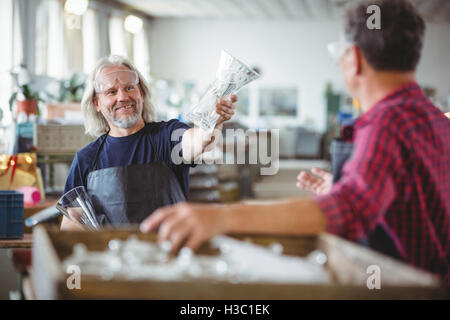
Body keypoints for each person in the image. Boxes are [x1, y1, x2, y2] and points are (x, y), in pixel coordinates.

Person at [140, 0, 450, 284]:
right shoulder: (435, 119)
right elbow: (416, 201)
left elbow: (349, 212)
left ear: (353, 58)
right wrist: (342, 189)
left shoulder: (385, 122)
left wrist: (222, 216)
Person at [61, 55, 237, 229]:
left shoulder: (167, 136)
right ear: (96, 103)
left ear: (142, 94)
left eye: (129, 88)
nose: (122, 97)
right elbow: (71, 221)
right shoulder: (86, 158)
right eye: (111, 92)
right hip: (112, 255)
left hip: (168, 252)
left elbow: (200, 141)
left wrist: (215, 121)